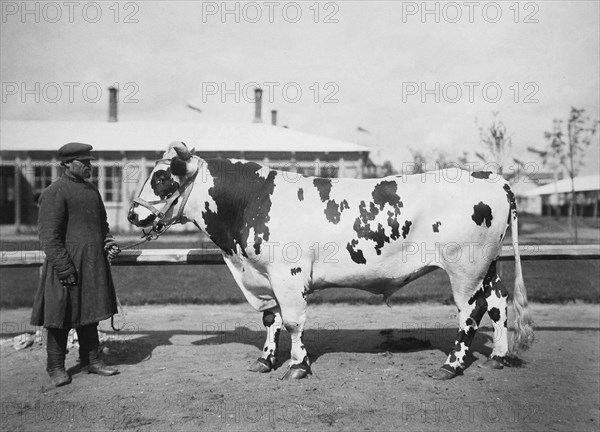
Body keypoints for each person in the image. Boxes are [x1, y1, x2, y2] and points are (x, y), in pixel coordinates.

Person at [30, 142, 121, 387]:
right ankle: (56, 367)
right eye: (84, 162)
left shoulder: (92, 191)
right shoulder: (55, 192)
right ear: (67, 164)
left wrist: (107, 241)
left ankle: (92, 360)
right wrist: (64, 267)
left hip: (91, 264)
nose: (89, 166)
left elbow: (102, 225)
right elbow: (49, 236)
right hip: (66, 266)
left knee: (90, 314)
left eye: (90, 162)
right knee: (59, 318)